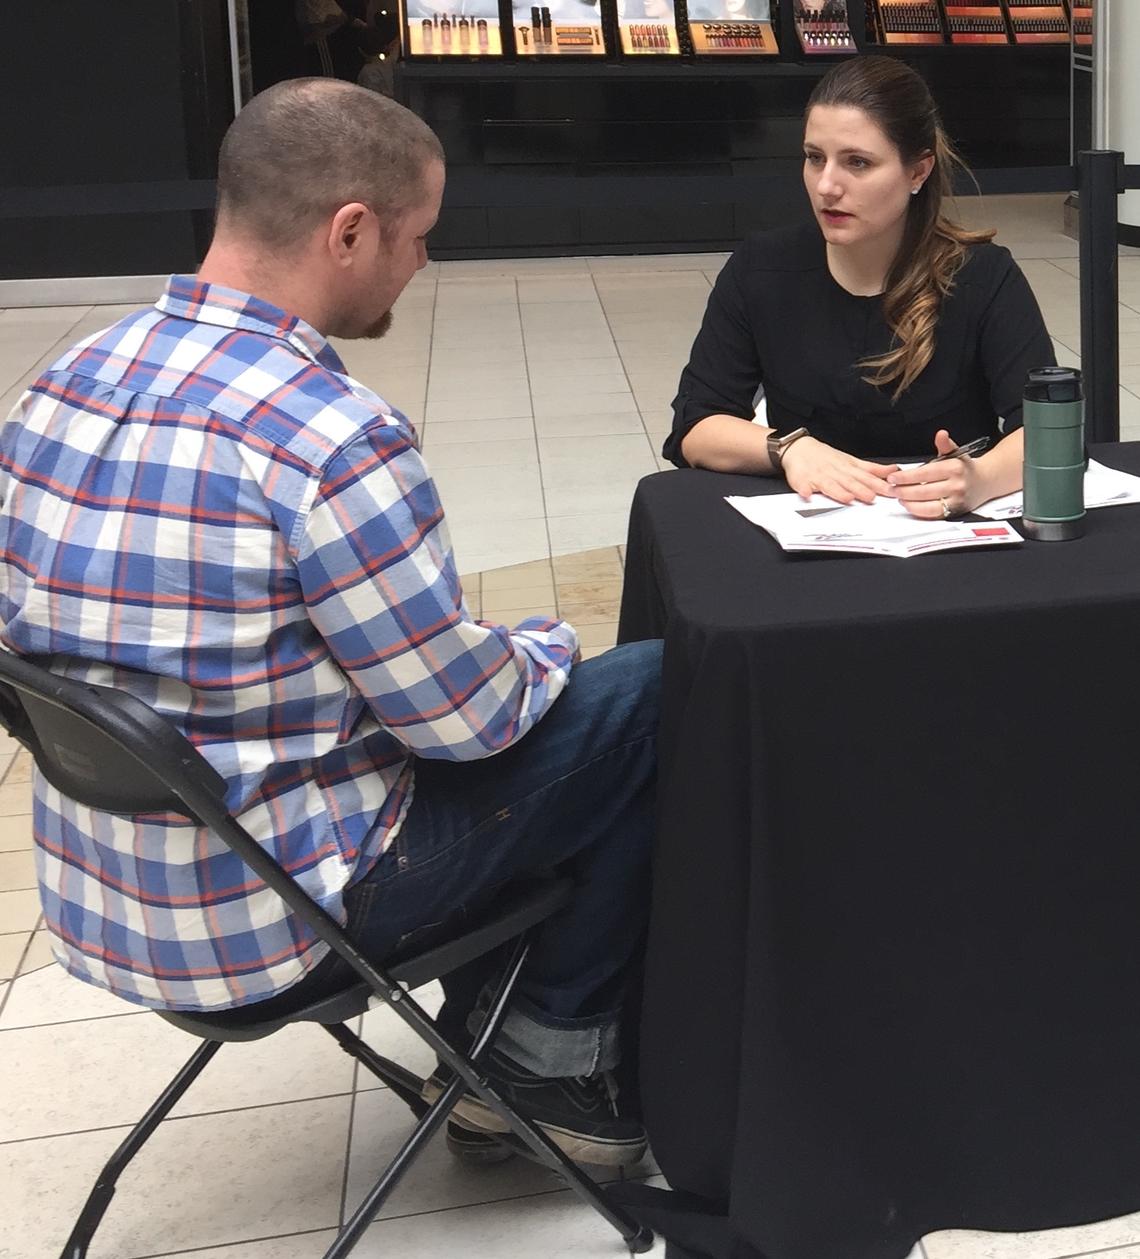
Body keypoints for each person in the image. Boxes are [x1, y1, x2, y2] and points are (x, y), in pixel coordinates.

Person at [0, 79, 660, 1170]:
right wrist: (544, 648)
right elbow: (466, 721)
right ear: (349, 228)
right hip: (277, 924)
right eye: (416, 238)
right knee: (642, 694)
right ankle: (548, 1060)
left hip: (104, 900)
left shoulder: (63, 382)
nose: (421, 266)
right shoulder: (328, 436)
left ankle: (510, 1051)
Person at [665, 56, 1055, 521]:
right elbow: (696, 425)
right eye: (814, 158)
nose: (827, 186)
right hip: (808, 528)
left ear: (918, 171)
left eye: (858, 163)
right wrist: (788, 449)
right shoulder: (763, 269)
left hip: (943, 531)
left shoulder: (982, 277)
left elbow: (1047, 428)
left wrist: (981, 478)